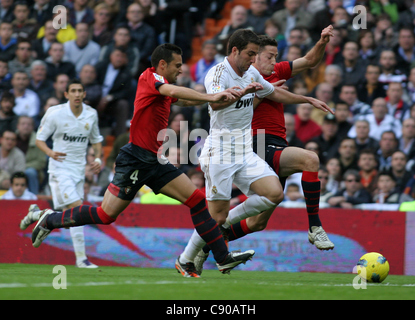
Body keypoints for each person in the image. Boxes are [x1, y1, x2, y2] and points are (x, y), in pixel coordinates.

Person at [29, 44, 256, 277]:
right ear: (162, 65)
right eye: (177, 66)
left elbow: (184, 100)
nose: (180, 70)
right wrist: (210, 95)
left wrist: (224, 98)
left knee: (197, 201)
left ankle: (222, 258)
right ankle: (50, 220)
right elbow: (173, 92)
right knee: (106, 215)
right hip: (136, 159)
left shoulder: (164, 89)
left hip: (156, 161)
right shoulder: (151, 78)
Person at [178, 28, 333, 275]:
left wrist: (307, 99)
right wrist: (245, 92)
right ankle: (186, 258)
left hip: (245, 150)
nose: (254, 60)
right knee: (216, 217)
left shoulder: (252, 72)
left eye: (257, 55)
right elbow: (216, 102)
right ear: (235, 50)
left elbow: (272, 91)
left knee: (273, 195)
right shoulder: (217, 73)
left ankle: (220, 233)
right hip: (221, 150)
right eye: (252, 54)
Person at [20, 79, 103, 268]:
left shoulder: (91, 114)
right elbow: (40, 139)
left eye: (80, 91)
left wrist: (97, 159)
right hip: (59, 170)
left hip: (79, 171)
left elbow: (97, 141)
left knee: (69, 218)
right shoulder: (55, 113)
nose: (76, 94)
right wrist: (50, 153)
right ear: (66, 94)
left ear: (84, 94)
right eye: (72, 91)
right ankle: (82, 259)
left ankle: (38, 214)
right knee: (77, 208)